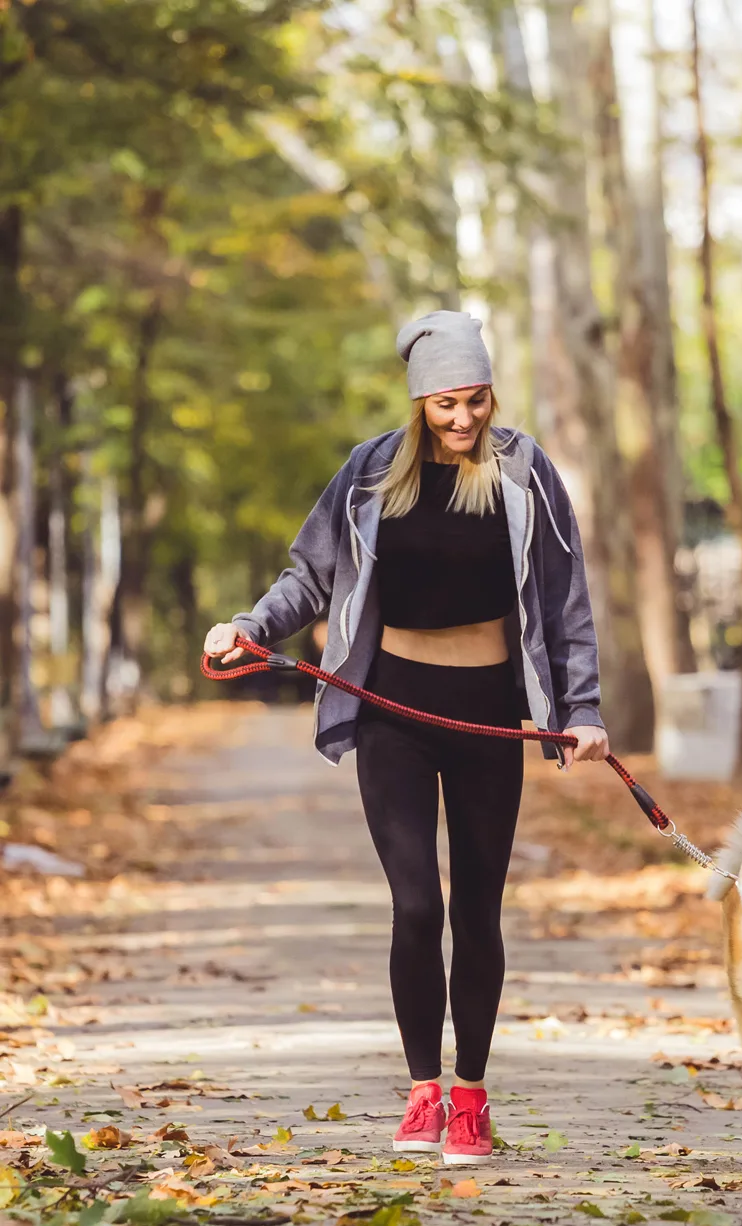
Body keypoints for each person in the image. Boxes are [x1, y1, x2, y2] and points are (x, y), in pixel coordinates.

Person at [204, 310, 609, 1165]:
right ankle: (423, 1092)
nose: (462, 419)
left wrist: (584, 711)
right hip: (391, 706)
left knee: (477, 909)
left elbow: (567, 601)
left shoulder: (524, 472)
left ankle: (471, 1098)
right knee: (417, 904)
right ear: (418, 400)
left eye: (475, 400)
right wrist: (248, 626)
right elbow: (308, 578)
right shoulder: (369, 473)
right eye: (444, 405)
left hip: (490, 711)